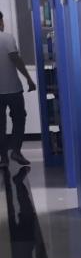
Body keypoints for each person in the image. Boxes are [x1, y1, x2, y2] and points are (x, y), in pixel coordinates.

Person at [0, 10, 37, 167]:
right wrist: (29, 79)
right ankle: (15, 150)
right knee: (19, 119)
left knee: (0, 125)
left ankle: (3, 158)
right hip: (13, 89)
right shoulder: (7, 38)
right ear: (0, 22)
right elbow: (16, 59)